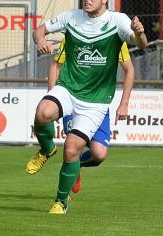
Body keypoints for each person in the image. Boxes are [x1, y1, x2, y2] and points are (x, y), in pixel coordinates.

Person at [26, 0, 147, 214]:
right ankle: (47, 148)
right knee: (43, 113)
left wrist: (140, 33)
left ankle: (60, 201)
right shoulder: (72, 17)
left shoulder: (117, 21)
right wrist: (40, 41)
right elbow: (39, 31)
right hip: (68, 88)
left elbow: (141, 45)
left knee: (73, 149)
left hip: (95, 102)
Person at [49, 38, 134, 195]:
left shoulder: (115, 39)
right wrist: (53, 100)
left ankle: (75, 164)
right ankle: (63, 195)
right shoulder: (73, 36)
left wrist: (124, 103)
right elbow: (56, 65)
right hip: (73, 100)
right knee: (73, 147)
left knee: (99, 154)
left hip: (99, 103)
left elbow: (129, 69)